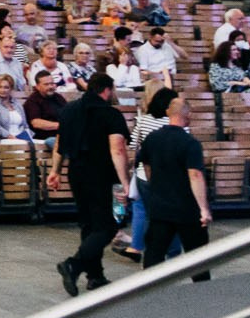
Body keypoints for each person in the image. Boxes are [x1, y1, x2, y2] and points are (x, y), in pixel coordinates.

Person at [49, 70, 132, 296]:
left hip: (76, 174)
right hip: (108, 177)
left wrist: (54, 171)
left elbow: (59, 143)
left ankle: (95, 276)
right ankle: (74, 265)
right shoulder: (111, 114)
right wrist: (125, 183)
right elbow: (117, 149)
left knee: (88, 224)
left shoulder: (68, 110)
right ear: (106, 90)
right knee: (112, 224)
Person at [134, 94, 211, 279]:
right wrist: (203, 208)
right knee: (198, 256)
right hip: (186, 208)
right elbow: (195, 175)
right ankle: (204, 292)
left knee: (154, 254)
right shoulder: (190, 143)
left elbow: (145, 164)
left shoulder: (152, 138)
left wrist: (155, 186)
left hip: (160, 206)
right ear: (188, 114)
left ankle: (148, 291)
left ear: (169, 113)